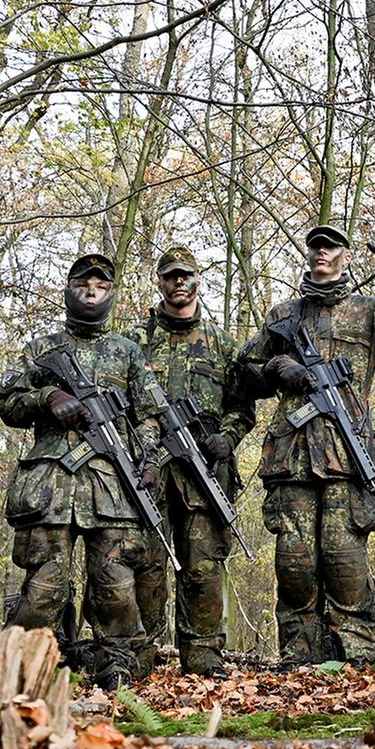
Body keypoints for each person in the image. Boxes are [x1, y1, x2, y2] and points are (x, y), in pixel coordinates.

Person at [236, 220, 375, 664]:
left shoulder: (369, 310)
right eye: (316, 246)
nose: (322, 252)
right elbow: (244, 369)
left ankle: (356, 656)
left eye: (331, 246)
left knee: (344, 561)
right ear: (308, 254)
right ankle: (299, 656)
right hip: (292, 457)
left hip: (346, 454)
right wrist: (274, 369)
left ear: (344, 254)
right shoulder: (284, 315)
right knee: (295, 564)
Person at [0, 253, 169, 689]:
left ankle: (116, 665)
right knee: (44, 586)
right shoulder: (41, 348)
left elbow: (151, 415)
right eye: (83, 285)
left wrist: (146, 461)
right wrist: (47, 398)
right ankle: (21, 666)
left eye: (100, 287)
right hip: (50, 486)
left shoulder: (128, 352)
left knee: (114, 585)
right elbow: (8, 404)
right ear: (69, 291)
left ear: (111, 294)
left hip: (113, 484)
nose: (91, 292)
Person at [132, 243, 253, 676]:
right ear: (160, 282)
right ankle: (138, 655)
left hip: (204, 476)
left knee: (203, 566)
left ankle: (203, 655)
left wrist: (228, 437)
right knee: (146, 564)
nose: (178, 282)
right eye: (171, 276)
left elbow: (243, 407)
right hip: (147, 472)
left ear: (198, 281)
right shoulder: (134, 341)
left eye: (186, 276)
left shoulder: (222, 344)